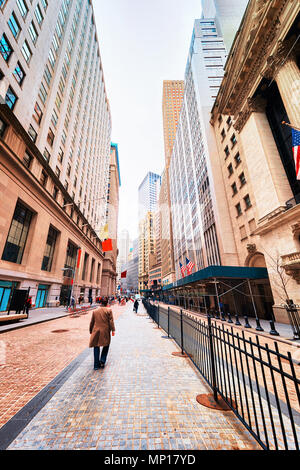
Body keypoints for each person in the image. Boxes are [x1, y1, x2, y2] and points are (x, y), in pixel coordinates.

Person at [89, 298, 115, 370]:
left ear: (100, 303)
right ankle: (102, 361)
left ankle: (96, 365)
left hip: (96, 331)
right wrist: (113, 330)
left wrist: (91, 330)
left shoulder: (95, 311)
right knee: (106, 345)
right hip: (105, 331)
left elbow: (92, 322)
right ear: (107, 303)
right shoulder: (109, 310)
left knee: (96, 346)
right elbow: (111, 321)